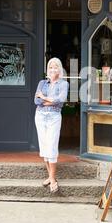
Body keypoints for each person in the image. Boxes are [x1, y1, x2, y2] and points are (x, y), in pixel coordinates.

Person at [34, 58, 69, 193]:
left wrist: (44, 97)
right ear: (47, 69)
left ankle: (53, 179)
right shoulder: (42, 83)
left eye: (55, 67)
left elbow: (61, 100)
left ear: (59, 69)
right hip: (40, 116)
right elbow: (36, 101)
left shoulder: (64, 84)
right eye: (50, 67)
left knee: (52, 146)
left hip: (54, 116)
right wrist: (47, 100)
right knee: (44, 147)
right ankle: (50, 177)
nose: (53, 69)